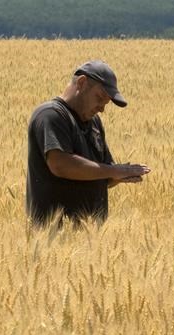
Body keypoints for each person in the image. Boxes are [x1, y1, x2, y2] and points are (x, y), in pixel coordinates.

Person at [26, 60, 150, 227]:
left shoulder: (94, 123)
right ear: (82, 83)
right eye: (99, 98)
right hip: (54, 235)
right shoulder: (51, 115)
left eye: (105, 103)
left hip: (89, 238)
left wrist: (120, 175)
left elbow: (103, 174)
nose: (102, 108)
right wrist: (114, 170)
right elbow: (60, 164)